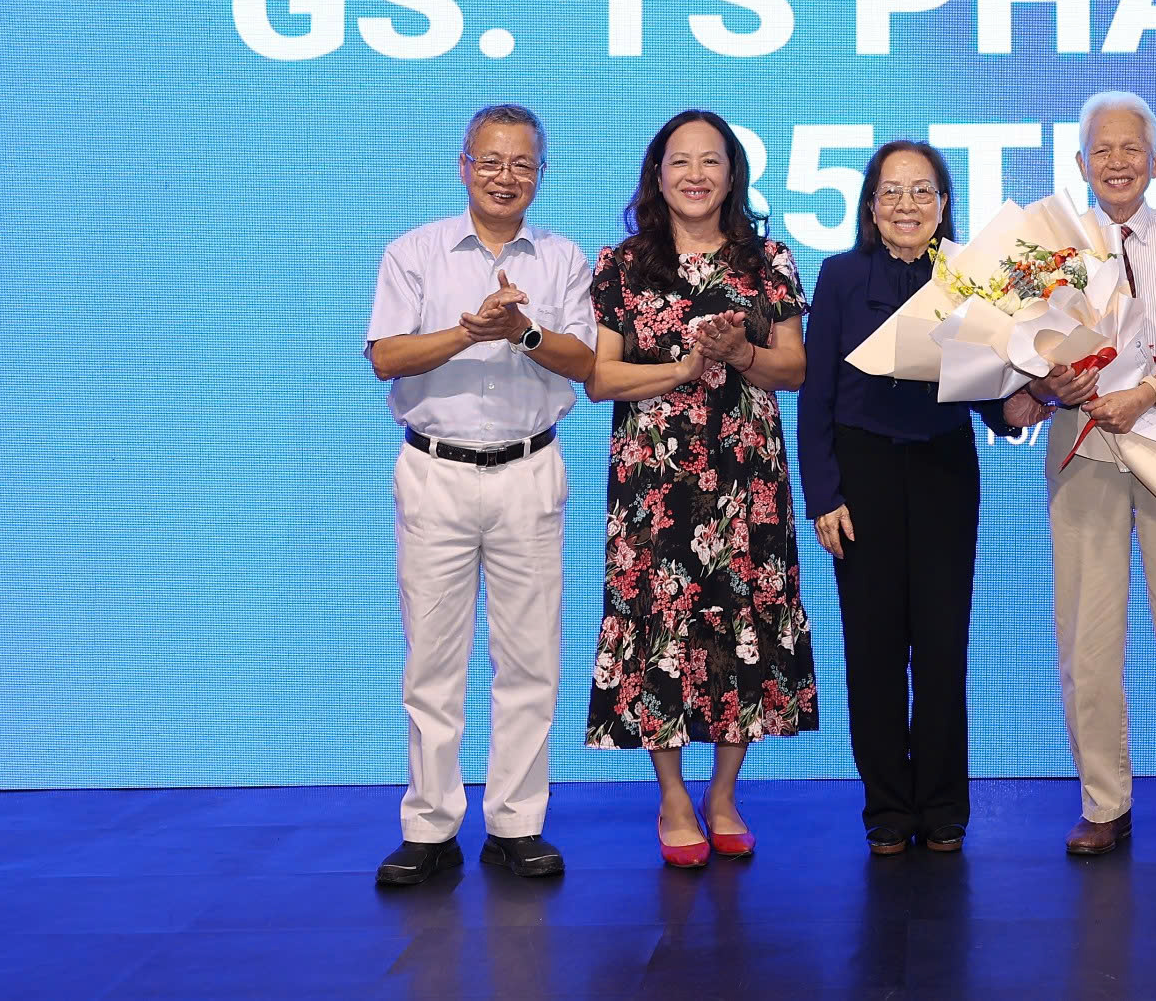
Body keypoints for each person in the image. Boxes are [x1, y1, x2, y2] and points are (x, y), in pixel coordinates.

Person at [365, 103, 597, 887]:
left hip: (529, 468)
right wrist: (470, 331)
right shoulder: (414, 252)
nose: (506, 176)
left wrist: (521, 329)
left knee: (530, 657)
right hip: (435, 469)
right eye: (491, 161)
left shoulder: (562, 258)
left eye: (522, 164)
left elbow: (584, 362)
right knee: (432, 659)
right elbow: (386, 355)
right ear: (463, 166)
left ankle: (516, 822)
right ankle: (430, 824)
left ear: (541, 173)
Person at [583, 109, 816, 868]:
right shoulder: (622, 265)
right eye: (679, 161)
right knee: (659, 626)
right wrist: (682, 368)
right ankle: (674, 796)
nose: (695, 174)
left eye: (710, 161)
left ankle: (723, 793)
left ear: (732, 174)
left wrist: (741, 351)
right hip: (653, 480)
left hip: (746, 477)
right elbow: (600, 379)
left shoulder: (768, 260)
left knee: (742, 621)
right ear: (657, 175)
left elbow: (793, 369)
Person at [1001, 92, 1156, 858]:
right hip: (1085, 438)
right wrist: (1049, 382)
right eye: (1103, 148)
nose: (1118, 161)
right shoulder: (1050, 250)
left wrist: (1148, 392)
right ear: (1080, 162)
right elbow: (1025, 350)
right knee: (1087, 635)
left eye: (1133, 148)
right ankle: (1104, 802)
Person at [796, 141, 1001, 856]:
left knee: (943, 645)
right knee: (874, 646)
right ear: (871, 206)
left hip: (945, 467)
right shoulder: (841, 276)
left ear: (944, 204)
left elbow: (992, 388)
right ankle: (886, 805)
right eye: (891, 192)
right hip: (863, 473)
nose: (906, 205)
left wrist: (1032, 393)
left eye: (922, 191)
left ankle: (943, 803)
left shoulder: (972, 278)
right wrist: (823, 493)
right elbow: (816, 395)